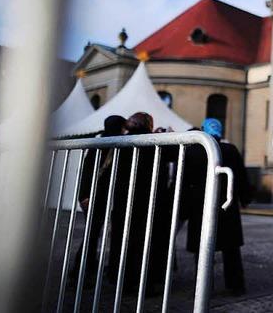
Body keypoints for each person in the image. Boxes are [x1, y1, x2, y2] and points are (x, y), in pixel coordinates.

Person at [183, 118, 251, 296]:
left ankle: (203, 288)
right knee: (231, 250)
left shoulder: (194, 151)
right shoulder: (230, 150)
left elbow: (183, 181)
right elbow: (242, 177)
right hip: (226, 206)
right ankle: (236, 285)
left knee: (202, 249)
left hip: (201, 206)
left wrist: (183, 207)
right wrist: (245, 198)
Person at [108, 112, 172, 296]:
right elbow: (173, 155)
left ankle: (125, 283)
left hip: (125, 202)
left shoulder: (121, 142)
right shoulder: (156, 142)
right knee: (148, 244)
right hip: (150, 202)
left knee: (124, 242)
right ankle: (147, 284)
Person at [71, 115, 125, 282]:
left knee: (92, 234)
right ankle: (81, 272)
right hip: (95, 197)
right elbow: (87, 172)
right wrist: (85, 195)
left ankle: (86, 268)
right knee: (92, 234)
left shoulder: (103, 142)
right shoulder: (103, 145)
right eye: (122, 127)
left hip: (97, 196)